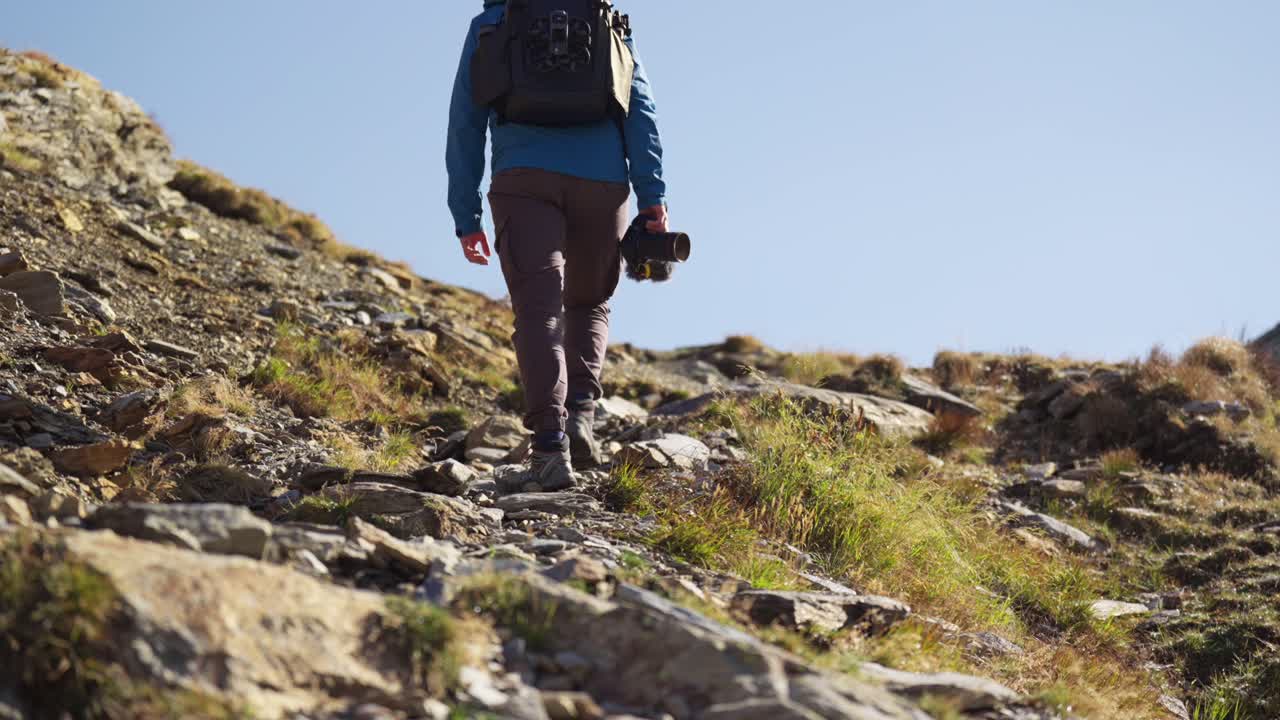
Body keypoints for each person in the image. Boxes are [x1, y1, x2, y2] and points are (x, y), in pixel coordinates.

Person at [446, 0, 667, 491]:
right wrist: (653, 196)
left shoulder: (492, 23)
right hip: (603, 183)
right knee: (589, 303)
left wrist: (466, 214)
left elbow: (465, 121)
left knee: (538, 310)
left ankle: (550, 447)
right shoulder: (605, 17)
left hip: (521, 178)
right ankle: (581, 417)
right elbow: (640, 109)